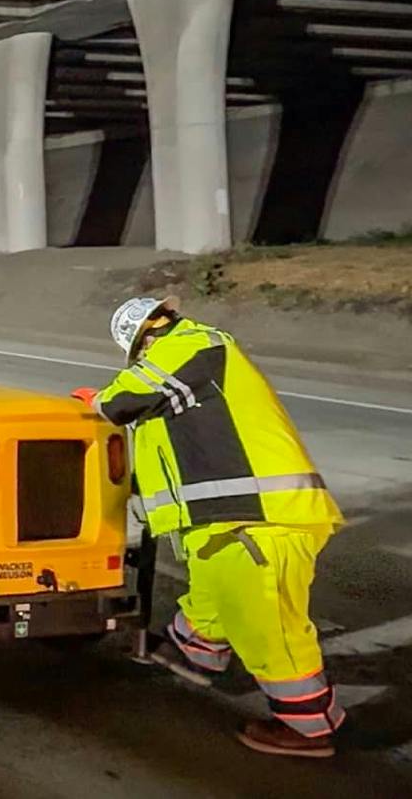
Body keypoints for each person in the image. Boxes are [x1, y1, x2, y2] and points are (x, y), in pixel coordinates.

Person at [72, 296, 345, 759]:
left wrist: (97, 402)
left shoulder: (195, 344)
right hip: (229, 521)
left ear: (147, 338)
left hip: (260, 519)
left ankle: (308, 727)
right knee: (212, 595)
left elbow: (124, 399)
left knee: (270, 629)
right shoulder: (184, 384)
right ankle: (196, 651)